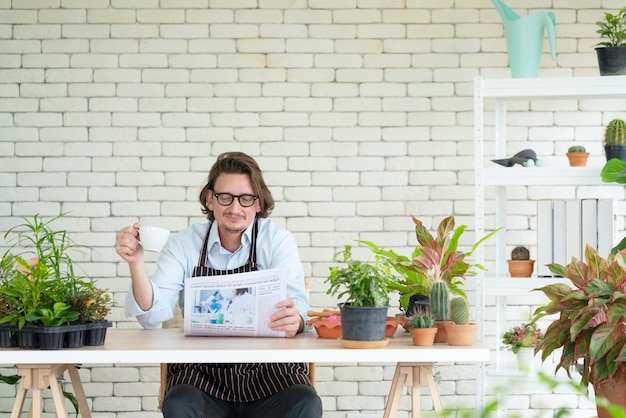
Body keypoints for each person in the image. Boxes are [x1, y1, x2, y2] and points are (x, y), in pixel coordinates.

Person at [115, 152, 323, 418]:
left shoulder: (277, 240)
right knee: (179, 402)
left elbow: (301, 308)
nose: (235, 208)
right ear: (209, 199)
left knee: (305, 402)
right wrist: (136, 263)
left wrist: (296, 319)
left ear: (259, 204)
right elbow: (151, 316)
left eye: (246, 199)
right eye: (225, 197)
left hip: (271, 373)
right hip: (201, 375)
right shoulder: (184, 244)